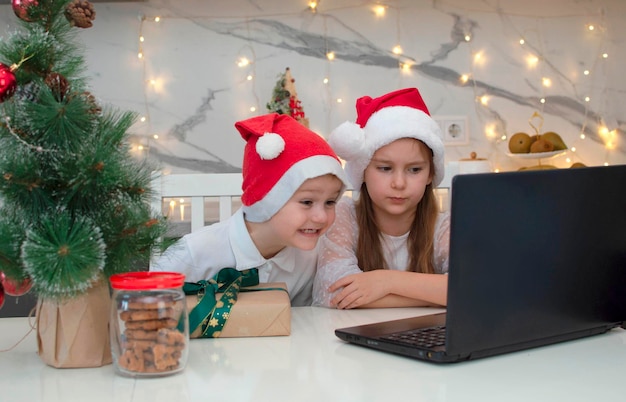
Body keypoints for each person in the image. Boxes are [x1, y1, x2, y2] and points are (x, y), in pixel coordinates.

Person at [151, 113, 349, 306]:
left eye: (330, 202)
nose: (321, 216)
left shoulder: (311, 256)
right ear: (267, 200)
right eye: (307, 202)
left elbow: (307, 323)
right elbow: (144, 306)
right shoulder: (194, 252)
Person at [312, 88, 450, 309]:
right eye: (385, 168)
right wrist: (437, 294)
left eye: (414, 170)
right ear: (363, 170)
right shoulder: (344, 216)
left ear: (430, 174)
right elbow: (336, 294)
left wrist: (386, 281)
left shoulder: (442, 226)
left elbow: (474, 286)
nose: (399, 183)